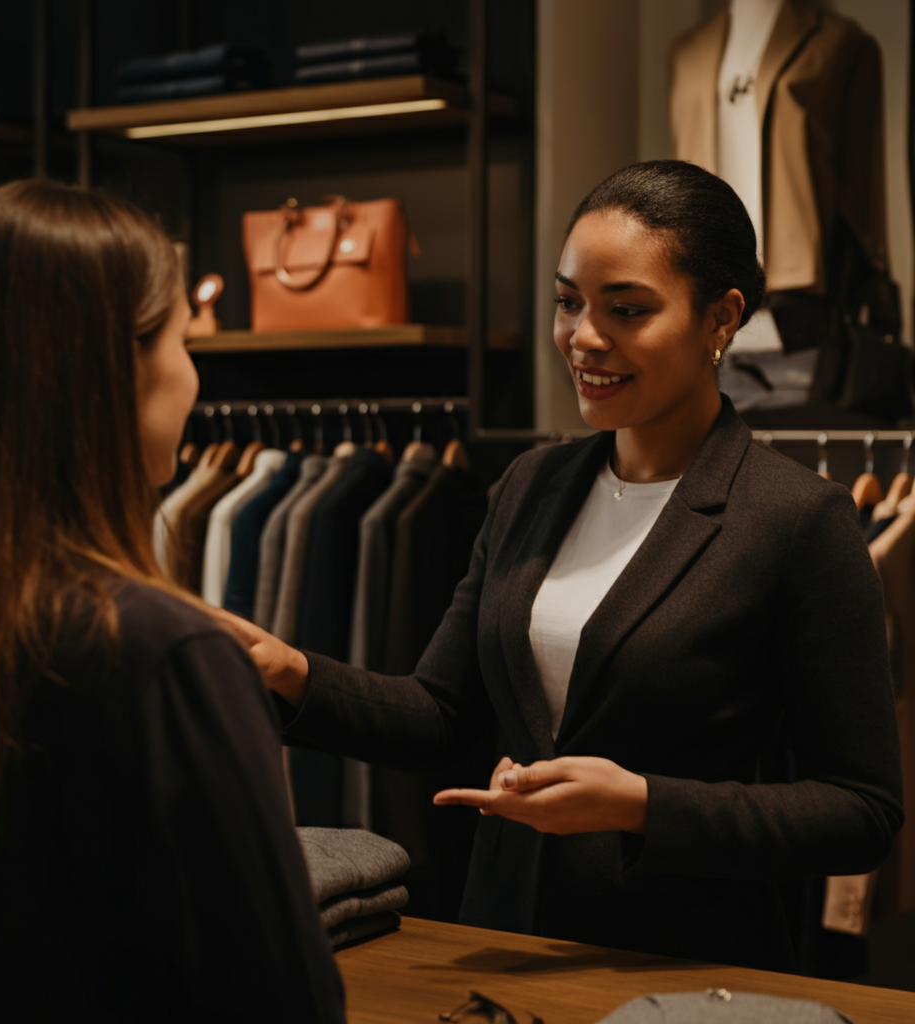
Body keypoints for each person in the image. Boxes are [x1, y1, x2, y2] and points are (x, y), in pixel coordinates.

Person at [222, 160, 904, 971]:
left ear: (721, 319)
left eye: (627, 309)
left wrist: (643, 805)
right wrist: (289, 670)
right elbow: (441, 712)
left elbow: (860, 810)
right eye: (568, 301)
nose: (584, 335)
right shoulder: (531, 486)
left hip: (682, 961)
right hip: (501, 940)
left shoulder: (797, 519)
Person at [0, 180, 345, 1024]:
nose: (193, 377)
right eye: (180, 338)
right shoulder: (159, 658)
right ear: (117, 366)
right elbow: (278, 998)